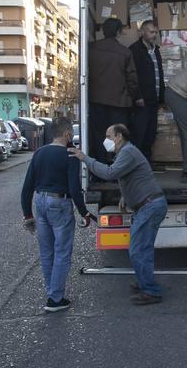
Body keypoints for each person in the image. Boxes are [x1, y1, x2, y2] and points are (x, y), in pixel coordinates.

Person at [70, 123, 167, 305]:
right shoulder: (126, 152)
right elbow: (132, 176)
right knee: (142, 250)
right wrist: (126, 195)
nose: (105, 140)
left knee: (138, 250)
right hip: (148, 205)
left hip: (150, 206)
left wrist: (85, 158)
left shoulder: (127, 152)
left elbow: (110, 173)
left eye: (108, 136)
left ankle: (151, 291)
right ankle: (144, 283)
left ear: (119, 137)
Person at [21, 116, 91, 312]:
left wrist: (28, 214)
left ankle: (52, 293)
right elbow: (74, 189)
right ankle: (55, 299)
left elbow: (27, 186)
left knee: (47, 252)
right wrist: (84, 213)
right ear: (68, 134)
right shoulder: (70, 155)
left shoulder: (39, 153)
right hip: (59, 203)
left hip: (40, 202)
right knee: (62, 251)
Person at [89, 17, 139, 164]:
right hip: (119, 102)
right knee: (118, 136)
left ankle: (101, 166)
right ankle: (118, 166)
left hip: (96, 100)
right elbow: (132, 79)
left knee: (99, 135)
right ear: (118, 32)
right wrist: (132, 97)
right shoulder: (124, 52)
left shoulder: (91, 49)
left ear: (103, 31)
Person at [130, 20, 165, 162]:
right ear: (142, 32)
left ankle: (146, 164)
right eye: (151, 32)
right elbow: (131, 75)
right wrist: (137, 96)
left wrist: (162, 97)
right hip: (141, 101)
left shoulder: (155, 50)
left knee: (151, 134)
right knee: (139, 133)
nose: (154, 35)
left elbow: (160, 74)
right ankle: (135, 165)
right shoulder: (134, 50)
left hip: (154, 100)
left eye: (156, 32)